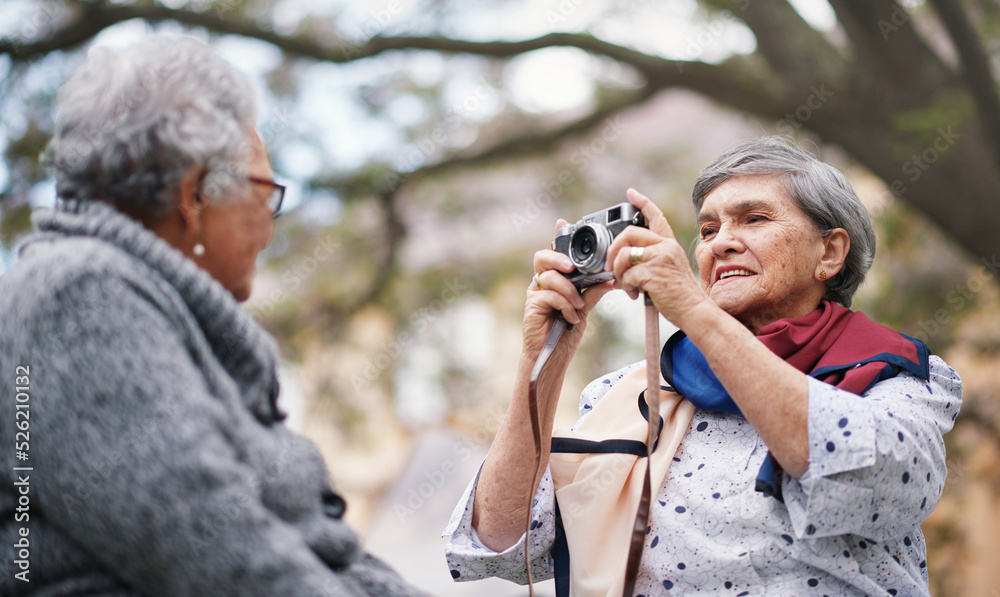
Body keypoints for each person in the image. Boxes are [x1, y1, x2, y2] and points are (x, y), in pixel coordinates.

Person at [0, 35, 425, 597]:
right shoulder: (79, 296)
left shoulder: (147, 306)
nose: (270, 225)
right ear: (192, 195)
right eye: (263, 193)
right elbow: (211, 544)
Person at [444, 137, 962, 596]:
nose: (721, 241)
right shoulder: (632, 392)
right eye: (709, 229)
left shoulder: (899, 375)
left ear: (829, 253)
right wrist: (543, 356)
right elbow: (503, 543)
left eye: (754, 219)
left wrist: (691, 308)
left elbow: (879, 487)